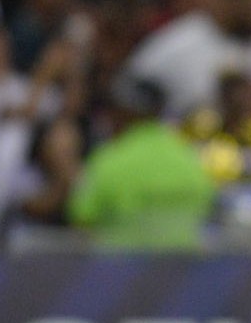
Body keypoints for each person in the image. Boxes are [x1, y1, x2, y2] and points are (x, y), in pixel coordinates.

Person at [66, 78, 216, 249]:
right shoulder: (190, 159)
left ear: (121, 112)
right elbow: (207, 208)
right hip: (182, 270)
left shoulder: (109, 160)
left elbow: (81, 220)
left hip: (120, 269)